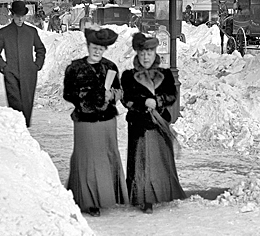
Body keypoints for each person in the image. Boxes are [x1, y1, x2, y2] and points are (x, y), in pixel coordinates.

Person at [63, 27, 127, 217]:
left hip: (107, 121)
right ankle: (88, 201)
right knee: (87, 159)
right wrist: (96, 96)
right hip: (85, 121)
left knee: (106, 157)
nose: (97, 51)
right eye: (94, 47)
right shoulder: (74, 68)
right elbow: (68, 94)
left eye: (101, 48)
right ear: (88, 46)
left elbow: (119, 92)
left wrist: (112, 95)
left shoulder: (111, 67)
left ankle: (108, 196)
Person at [121, 32, 186, 214]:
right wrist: (143, 103)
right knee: (141, 163)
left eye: (149, 53)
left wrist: (158, 101)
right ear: (137, 55)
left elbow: (172, 96)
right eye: (142, 54)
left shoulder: (164, 74)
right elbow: (126, 99)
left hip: (159, 125)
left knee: (160, 161)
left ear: (155, 53)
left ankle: (164, 192)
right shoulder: (128, 76)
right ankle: (143, 198)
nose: (146, 57)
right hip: (139, 125)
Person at [0, 0, 47, 126]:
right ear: (13, 15)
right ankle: (17, 128)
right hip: (11, 73)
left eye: (22, 16)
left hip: (29, 73)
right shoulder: (3, 32)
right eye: (17, 16)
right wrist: (4, 67)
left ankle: (25, 128)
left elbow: (40, 49)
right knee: (15, 102)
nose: (20, 19)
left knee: (27, 103)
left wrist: (37, 65)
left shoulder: (31, 32)